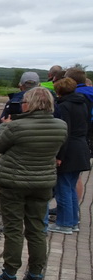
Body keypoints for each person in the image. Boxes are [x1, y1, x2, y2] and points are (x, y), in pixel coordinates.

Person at [0, 87, 67, 280]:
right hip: (43, 183)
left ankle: (9, 275)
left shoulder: (17, 127)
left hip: (13, 183)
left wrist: (5, 127)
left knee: (13, 229)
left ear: (29, 104)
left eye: (24, 102)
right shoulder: (61, 126)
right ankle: (35, 275)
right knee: (38, 229)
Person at [47, 77, 91, 234]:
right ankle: (72, 222)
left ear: (59, 90)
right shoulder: (82, 103)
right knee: (70, 187)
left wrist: (59, 156)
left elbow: (64, 132)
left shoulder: (65, 106)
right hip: (81, 148)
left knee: (63, 188)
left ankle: (64, 224)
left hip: (70, 150)